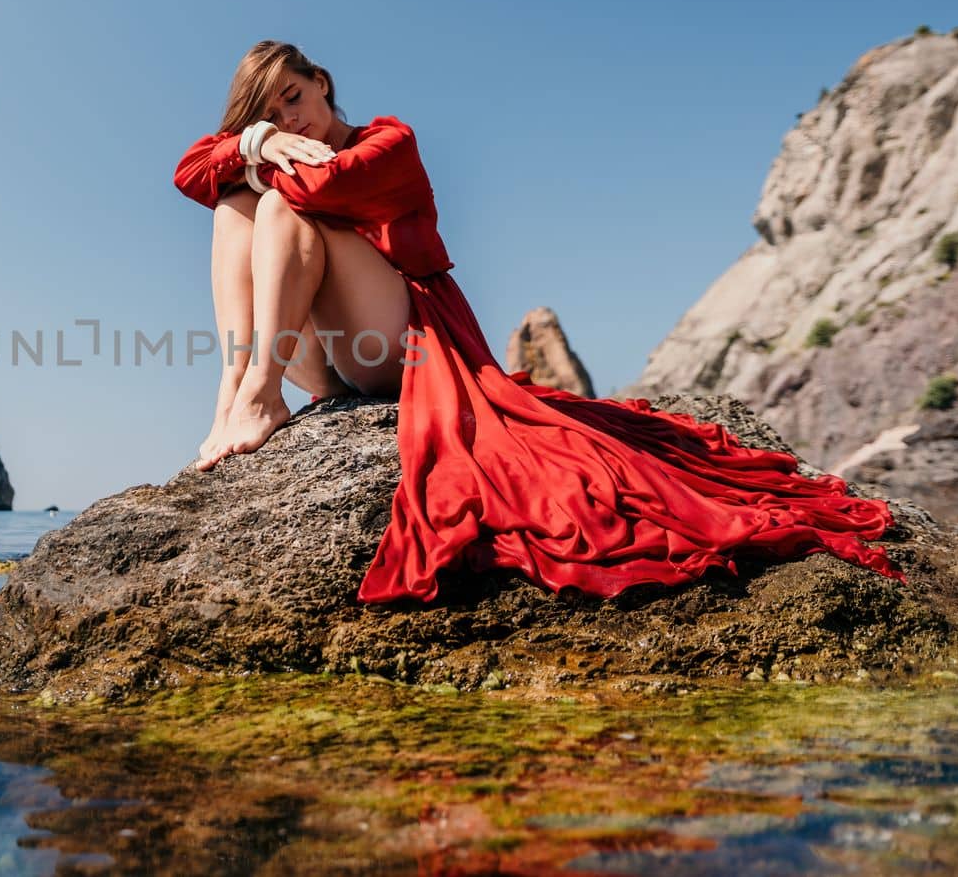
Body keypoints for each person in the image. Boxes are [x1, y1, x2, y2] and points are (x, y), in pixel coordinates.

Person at [173, 40, 907, 605]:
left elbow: (322, 185)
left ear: (323, 82)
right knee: (235, 203)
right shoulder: (273, 140)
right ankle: (235, 390)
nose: (290, 117)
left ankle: (265, 390)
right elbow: (188, 174)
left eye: (294, 97)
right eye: (273, 110)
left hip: (401, 343)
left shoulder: (388, 141)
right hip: (332, 359)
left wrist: (258, 159)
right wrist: (252, 144)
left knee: (267, 201)